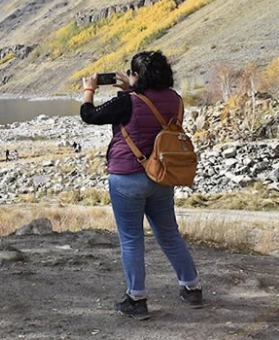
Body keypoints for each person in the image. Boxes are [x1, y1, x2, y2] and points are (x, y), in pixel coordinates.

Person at [80, 51, 202, 320]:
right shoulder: (175, 99)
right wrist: (130, 89)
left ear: (138, 76)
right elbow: (151, 108)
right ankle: (192, 288)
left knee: (132, 239)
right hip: (161, 176)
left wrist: (89, 89)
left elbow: (89, 115)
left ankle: (137, 299)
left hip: (127, 177)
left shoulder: (129, 103)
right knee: (169, 233)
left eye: (132, 73)